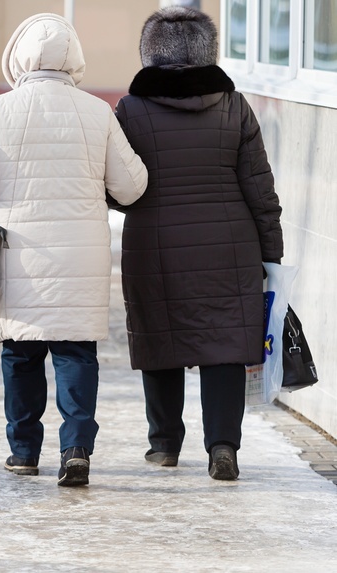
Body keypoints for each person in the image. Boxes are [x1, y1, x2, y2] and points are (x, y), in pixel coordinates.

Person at [0, 13, 148, 486]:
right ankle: (76, 448)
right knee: (76, 354)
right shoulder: (97, 111)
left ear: (18, 57)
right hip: (80, 258)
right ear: (73, 59)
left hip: (18, 256)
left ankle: (23, 452)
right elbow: (132, 187)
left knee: (20, 354)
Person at [112, 7, 284, 480]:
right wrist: (273, 253)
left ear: (150, 53)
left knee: (161, 337)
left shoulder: (131, 110)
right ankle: (223, 446)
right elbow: (259, 187)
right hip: (229, 244)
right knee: (224, 344)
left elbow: (118, 187)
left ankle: (165, 444)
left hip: (155, 244)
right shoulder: (235, 106)